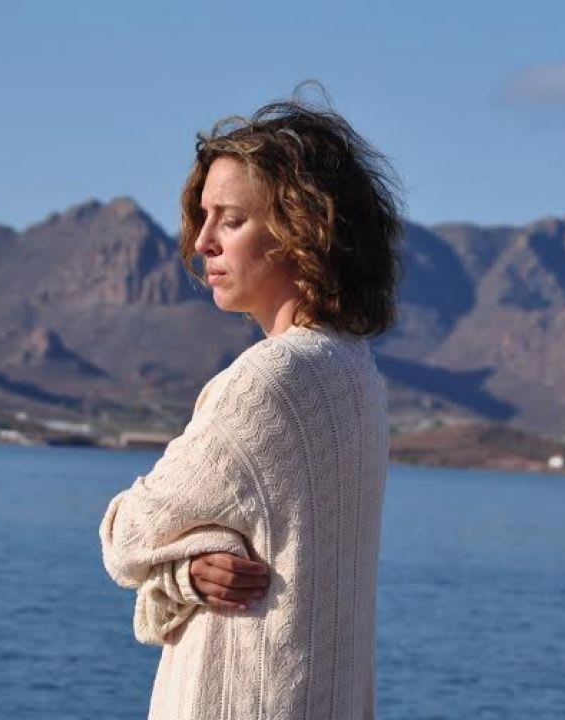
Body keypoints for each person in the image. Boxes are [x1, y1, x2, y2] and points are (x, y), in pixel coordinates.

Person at [99, 86, 403, 720]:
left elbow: (128, 537)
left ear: (302, 230)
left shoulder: (265, 383)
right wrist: (190, 569)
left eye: (230, 220)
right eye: (202, 217)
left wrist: (183, 560)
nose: (202, 241)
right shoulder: (356, 372)